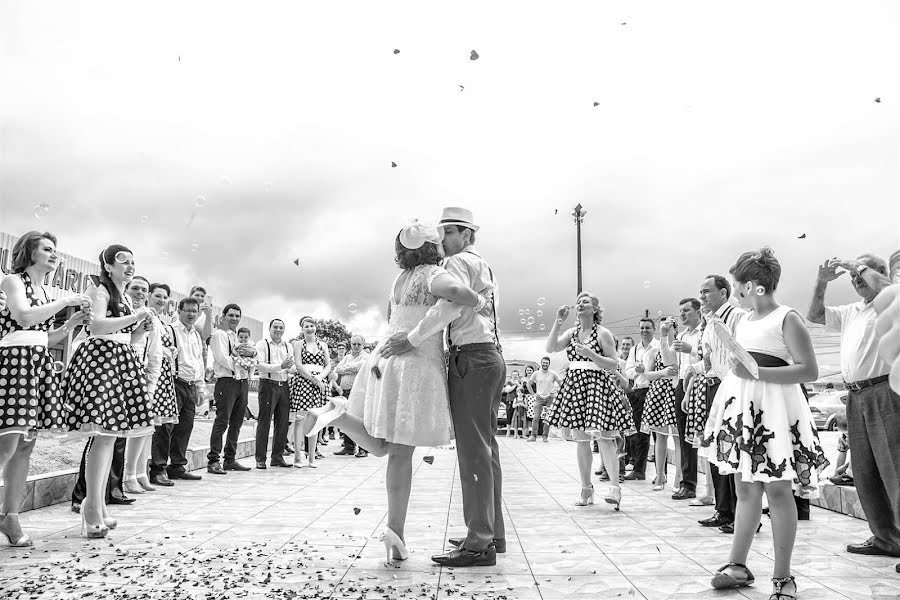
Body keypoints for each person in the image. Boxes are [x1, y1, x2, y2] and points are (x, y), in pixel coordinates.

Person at [299, 218, 490, 564]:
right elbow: (459, 294)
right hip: (414, 364)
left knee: (383, 447)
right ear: (433, 247)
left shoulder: (399, 280)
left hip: (385, 360)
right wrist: (479, 299)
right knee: (399, 453)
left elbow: (393, 318)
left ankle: (341, 417)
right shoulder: (433, 274)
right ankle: (395, 532)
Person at [704, 248, 826, 600]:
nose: (736, 291)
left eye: (739, 285)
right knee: (745, 488)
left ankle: (783, 576)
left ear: (754, 286)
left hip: (773, 409)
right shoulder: (742, 321)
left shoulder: (787, 318)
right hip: (746, 407)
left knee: (777, 490)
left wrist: (757, 372)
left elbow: (809, 370)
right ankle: (737, 564)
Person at [0, 231, 92, 547]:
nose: (54, 254)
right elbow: (23, 318)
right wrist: (65, 301)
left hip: (35, 362)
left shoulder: (42, 289)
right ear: (30, 252)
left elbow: (44, 338)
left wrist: (71, 325)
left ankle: (10, 516)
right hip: (14, 364)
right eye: (47, 249)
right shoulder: (14, 281)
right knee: (8, 443)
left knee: (25, 446)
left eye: (56, 250)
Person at [807, 254, 900, 562]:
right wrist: (822, 282)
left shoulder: (890, 299)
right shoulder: (852, 311)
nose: (856, 279)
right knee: (865, 470)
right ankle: (886, 538)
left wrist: (856, 266)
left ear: (881, 272)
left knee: (894, 469)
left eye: (864, 273)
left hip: (884, 391)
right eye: (853, 277)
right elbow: (815, 314)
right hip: (856, 396)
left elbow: (889, 289)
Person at [64, 245, 155, 538]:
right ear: (108, 266)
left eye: (132, 262)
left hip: (119, 363)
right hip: (100, 364)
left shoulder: (124, 297)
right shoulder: (99, 291)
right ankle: (90, 506)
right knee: (101, 437)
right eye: (123, 262)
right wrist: (135, 316)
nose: (129, 267)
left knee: (111, 436)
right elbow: (98, 326)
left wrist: (142, 326)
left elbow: (126, 335)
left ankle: (99, 503)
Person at [545, 292, 633, 511]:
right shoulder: (571, 332)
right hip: (576, 387)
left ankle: (614, 488)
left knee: (604, 437)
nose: (580, 303)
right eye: (579, 302)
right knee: (582, 440)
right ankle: (586, 488)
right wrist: (558, 321)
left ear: (595, 309)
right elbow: (551, 348)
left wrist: (590, 354)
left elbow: (613, 364)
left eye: (585, 301)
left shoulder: (603, 333)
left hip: (597, 386)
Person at [695, 274, 746, 532]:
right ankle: (723, 510)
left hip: (732, 388)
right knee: (717, 449)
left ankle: (742, 515)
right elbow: (710, 357)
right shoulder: (711, 322)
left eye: (706, 291)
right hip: (714, 386)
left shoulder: (735, 317)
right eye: (700, 292)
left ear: (724, 293)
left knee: (733, 450)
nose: (701, 296)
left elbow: (741, 354)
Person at [149, 297, 204, 486]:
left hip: (190, 385)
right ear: (179, 311)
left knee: (185, 427)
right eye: (187, 310)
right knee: (165, 428)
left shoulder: (196, 334)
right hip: (172, 382)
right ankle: (158, 469)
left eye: (194, 311)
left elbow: (199, 361)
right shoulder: (171, 330)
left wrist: (200, 386)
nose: (190, 314)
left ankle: (177, 466)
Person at [121, 277, 162, 496]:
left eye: (143, 290)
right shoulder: (120, 310)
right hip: (117, 371)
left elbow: (155, 355)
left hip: (139, 374)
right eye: (134, 288)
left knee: (142, 427)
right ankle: (122, 477)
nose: (139, 292)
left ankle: (134, 474)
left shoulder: (150, 317)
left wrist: (151, 385)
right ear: (126, 289)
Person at [207, 303, 254, 474]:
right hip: (227, 381)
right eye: (231, 315)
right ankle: (213, 460)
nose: (234, 318)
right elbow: (221, 358)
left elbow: (249, 356)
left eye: (237, 316)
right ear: (224, 316)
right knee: (222, 421)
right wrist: (241, 366)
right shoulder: (219, 334)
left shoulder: (238, 337)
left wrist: (249, 364)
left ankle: (230, 459)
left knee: (236, 422)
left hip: (241, 382)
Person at [670, 298, 703, 501]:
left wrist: (690, 349)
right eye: (680, 311)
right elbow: (671, 362)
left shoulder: (703, 333)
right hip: (682, 384)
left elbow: (709, 358)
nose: (682, 314)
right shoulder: (681, 335)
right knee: (684, 437)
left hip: (699, 383)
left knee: (699, 436)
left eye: (687, 310)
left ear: (698, 312)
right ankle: (687, 483)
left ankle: (704, 486)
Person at [288, 316, 332, 468]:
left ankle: (312, 458)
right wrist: (313, 379)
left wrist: (319, 378)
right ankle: (298, 458)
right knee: (300, 419)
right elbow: (299, 366)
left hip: (319, 384)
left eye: (312, 325)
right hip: (304, 383)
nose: (309, 328)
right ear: (302, 328)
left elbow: (328, 366)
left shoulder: (323, 345)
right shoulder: (299, 344)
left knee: (315, 420)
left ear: (315, 327)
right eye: (306, 326)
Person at [623, 318, 660, 480]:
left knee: (658, 433)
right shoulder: (635, 349)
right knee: (639, 432)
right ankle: (639, 469)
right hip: (638, 392)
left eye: (647, 328)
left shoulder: (658, 346)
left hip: (655, 391)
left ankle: (660, 473)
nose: (644, 330)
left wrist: (645, 370)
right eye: (642, 328)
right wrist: (638, 371)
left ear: (654, 329)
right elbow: (628, 370)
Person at [645, 317, 679, 491]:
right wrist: (663, 372)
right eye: (662, 328)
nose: (665, 330)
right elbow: (648, 375)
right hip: (659, 393)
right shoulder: (654, 351)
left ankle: (678, 478)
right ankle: (660, 475)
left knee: (677, 437)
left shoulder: (680, 348)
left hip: (675, 391)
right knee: (660, 436)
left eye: (668, 327)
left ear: (675, 329)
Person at [254, 319, 294, 469]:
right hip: (268, 385)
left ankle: (277, 457)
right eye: (275, 327)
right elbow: (260, 366)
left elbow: (292, 365)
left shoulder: (287, 345)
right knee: (264, 422)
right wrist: (281, 366)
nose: (278, 330)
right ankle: (260, 459)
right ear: (269, 328)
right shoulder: (262, 344)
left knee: (282, 423)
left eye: (281, 327)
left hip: (283, 386)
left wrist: (291, 369)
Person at [332, 336, 369, 458]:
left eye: (359, 344)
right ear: (351, 344)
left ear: (363, 344)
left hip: (359, 391)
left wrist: (347, 368)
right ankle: (349, 447)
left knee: (359, 419)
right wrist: (352, 368)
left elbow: (361, 366)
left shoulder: (366, 357)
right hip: (346, 391)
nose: (356, 346)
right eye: (354, 344)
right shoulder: (347, 357)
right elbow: (337, 369)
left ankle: (363, 448)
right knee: (346, 419)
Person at [528, 357, 561, 442]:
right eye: (543, 362)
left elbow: (562, 384)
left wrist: (556, 391)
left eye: (546, 363)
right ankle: (533, 436)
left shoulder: (553, 374)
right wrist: (533, 394)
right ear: (541, 363)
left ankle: (545, 436)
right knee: (536, 418)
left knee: (547, 418)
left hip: (549, 398)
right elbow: (529, 384)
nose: (545, 364)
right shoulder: (536, 373)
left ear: (549, 364)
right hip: (539, 398)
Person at [828, 413, 853, 486]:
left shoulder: (858, 435)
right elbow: (842, 455)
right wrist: (836, 475)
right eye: (846, 433)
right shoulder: (843, 438)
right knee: (839, 470)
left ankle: (851, 476)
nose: (847, 435)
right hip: (852, 465)